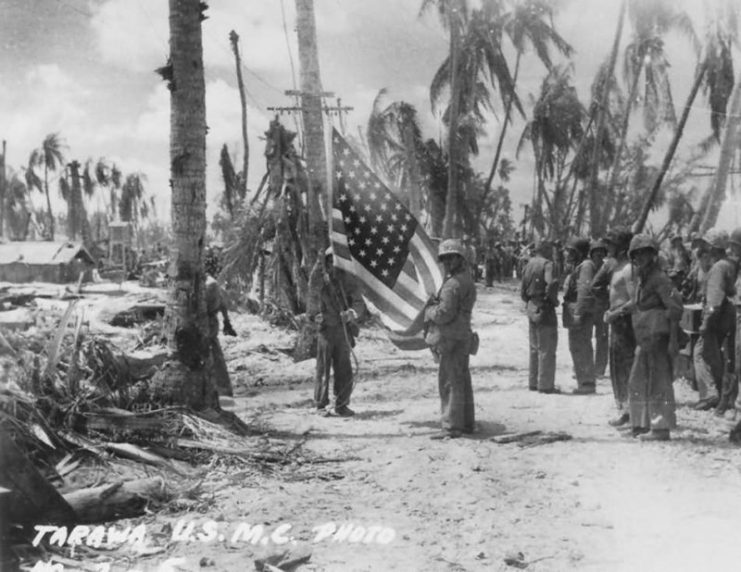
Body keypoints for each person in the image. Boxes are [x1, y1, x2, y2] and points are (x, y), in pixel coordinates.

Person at [624, 234, 682, 441]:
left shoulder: (660, 279)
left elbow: (676, 308)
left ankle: (660, 428)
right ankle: (641, 424)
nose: (639, 257)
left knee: (659, 382)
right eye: (636, 254)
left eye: (644, 253)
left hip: (658, 337)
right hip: (644, 337)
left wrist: (673, 341)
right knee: (637, 380)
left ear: (652, 255)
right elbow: (637, 303)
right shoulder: (642, 277)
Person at [425, 238, 477, 439]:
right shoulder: (467, 280)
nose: (447, 263)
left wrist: (430, 310)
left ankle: (451, 426)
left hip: (450, 337)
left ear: (459, 259)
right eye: (444, 259)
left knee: (449, 381)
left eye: (450, 258)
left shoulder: (452, 285)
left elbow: (444, 314)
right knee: (462, 379)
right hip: (463, 334)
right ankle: (466, 423)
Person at [308, 248, 364, 417]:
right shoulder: (318, 279)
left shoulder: (347, 279)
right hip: (325, 331)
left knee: (344, 368)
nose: (333, 265)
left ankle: (342, 404)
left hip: (342, 330)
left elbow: (358, 302)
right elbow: (311, 298)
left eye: (336, 261)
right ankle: (320, 405)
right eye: (330, 261)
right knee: (323, 368)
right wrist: (314, 317)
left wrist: (351, 314)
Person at [693, 229, 736, 412]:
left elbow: (714, 301)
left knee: (700, 353)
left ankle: (710, 394)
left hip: (716, 318)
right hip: (726, 317)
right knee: (715, 356)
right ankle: (720, 394)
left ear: (712, 247)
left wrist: (706, 322)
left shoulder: (718, 267)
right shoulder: (729, 264)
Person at [597, 229, 635, 426]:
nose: (607, 247)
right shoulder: (616, 267)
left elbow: (635, 299)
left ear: (620, 247)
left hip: (625, 323)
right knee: (617, 367)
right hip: (616, 321)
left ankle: (631, 411)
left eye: (611, 244)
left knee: (626, 367)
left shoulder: (628, 269)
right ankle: (624, 410)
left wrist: (616, 312)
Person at [521, 240, 559, 393]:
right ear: (547, 249)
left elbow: (522, 290)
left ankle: (533, 382)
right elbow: (551, 284)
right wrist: (553, 301)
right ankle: (545, 385)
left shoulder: (528, 265)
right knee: (547, 348)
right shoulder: (548, 264)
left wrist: (530, 301)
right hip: (545, 307)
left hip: (531, 305)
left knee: (534, 347)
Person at [562, 237, 597, 394]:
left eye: (570, 251)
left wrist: (578, 313)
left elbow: (584, 291)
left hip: (580, 312)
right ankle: (583, 380)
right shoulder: (579, 266)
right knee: (576, 346)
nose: (567, 253)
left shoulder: (586, 266)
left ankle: (587, 383)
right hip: (575, 309)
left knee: (581, 346)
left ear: (578, 252)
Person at [206, 274, 237, 397]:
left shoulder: (208, 284)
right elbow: (223, 303)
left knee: (210, 358)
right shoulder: (211, 283)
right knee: (216, 357)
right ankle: (224, 394)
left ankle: (219, 394)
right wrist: (226, 321)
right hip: (211, 323)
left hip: (206, 324)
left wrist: (226, 321)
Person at [590, 239, 609, 377]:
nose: (599, 255)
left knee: (602, 339)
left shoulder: (607, 268)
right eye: (596, 252)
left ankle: (599, 369)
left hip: (602, 307)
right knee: (584, 338)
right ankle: (586, 366)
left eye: (601, 252)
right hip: (589, 307)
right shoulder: (587, 267)